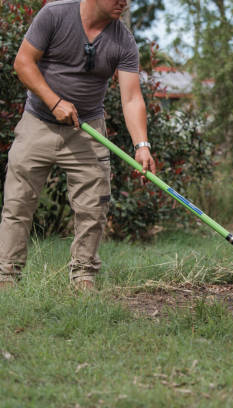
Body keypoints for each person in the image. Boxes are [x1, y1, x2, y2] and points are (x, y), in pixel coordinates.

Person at [0, 0, 156, 290]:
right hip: (39, 123)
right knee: (17, 204)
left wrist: (142, 145)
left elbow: (132, 98)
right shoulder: (55, 15)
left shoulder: (123, 40)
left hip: (88, 130)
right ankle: (7, 278)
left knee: (93, 207)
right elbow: (23, 63)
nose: (124, 2)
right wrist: (54, 101)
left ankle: (84, 275)